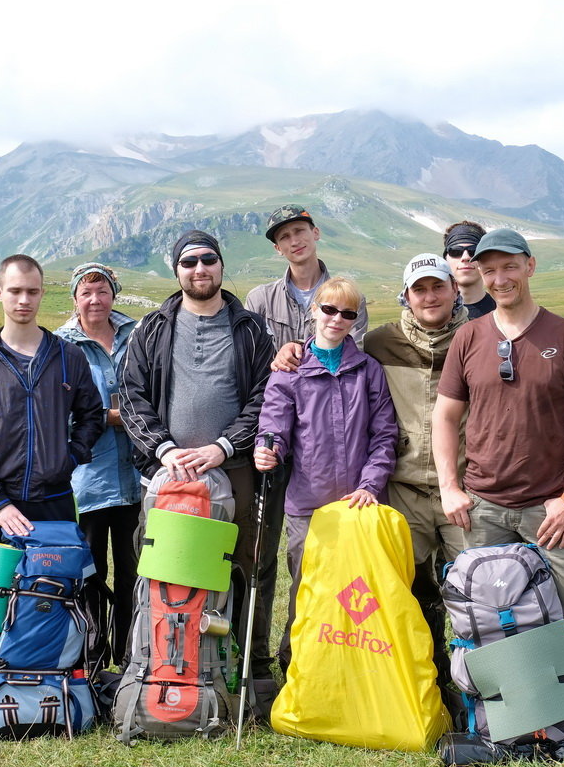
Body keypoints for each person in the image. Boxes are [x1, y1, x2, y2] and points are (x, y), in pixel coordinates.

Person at [432, 228, 564, 722]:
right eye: (489, 269)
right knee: (486, 616)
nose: (499, 278)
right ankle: (505, 716)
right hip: (482, 505)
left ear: (530, 266)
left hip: (548, 506)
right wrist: (451, 487)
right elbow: (445, 418)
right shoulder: (468, 338)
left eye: (509, 266)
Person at [119, 230, 276, 674]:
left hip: (235, 470)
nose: (200, 269)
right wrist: (164, 449)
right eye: (189, 262)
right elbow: (130, 396)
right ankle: (160, 664)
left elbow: (265, 397)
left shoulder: (249, 329)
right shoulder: (152, 328)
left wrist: (223, 447)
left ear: (222, 266)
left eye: (208, 260)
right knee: (163, 568)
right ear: (177, 271)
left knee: (237, 567)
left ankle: (238, 668)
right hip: (167, 474)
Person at [254, 277, 397, 667]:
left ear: (355, 319)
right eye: (330, 309)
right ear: (314, 310)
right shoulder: (289, 371)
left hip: (360, 505)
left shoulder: (369, 370)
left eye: (347, 313)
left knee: (360, 593)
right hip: (308, 506)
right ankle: (298, 665)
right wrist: (268, 450)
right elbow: (274, 424)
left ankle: (355, 669)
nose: (337, 319)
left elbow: (385, 436)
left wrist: (370, 486)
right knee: (307, 587)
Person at [0, 254, 103, 559]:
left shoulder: (68, 357)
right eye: (15, 291)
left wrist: (69, 457)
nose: (24, 300)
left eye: (32, 292)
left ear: (42, 293)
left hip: (55, 501)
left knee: (54, 596)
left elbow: (92, 415)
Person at [363, 254, 468, 682]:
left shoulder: (476, 338)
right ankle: (426, 677)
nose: (429, 296)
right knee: (407, 591)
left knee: (474, 588)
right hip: (402, 488)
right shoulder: (378, 344)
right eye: (419, 289)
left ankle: (474, 685)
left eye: (437, 286)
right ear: (405, 296)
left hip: (463, 489)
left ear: (454, 289)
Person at [54, 262, 142, 665]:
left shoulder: (137, 334)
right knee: (89, 572)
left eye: (102, 291)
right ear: (74, 298)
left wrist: (136, 416)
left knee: (133, 572)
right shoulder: (59, 346)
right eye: (86, 292)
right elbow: (55, 412)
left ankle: (127, 657)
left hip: (137, 476)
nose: (95, 300)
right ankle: (89, 661)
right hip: (86, 480)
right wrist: (112, 417)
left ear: (114, 294)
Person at [248, 204, 369, 370]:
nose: (295, 241)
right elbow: (252, 357)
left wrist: (297, 345)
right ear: (278, 248)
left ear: (316, 233)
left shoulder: (351, 298)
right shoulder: (260, 300)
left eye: (299, 230)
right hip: (276, 393)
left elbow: (353, 354)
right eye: (284, 237)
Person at [442, 221, 496, 319]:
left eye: (473, 251)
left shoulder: (504, 311)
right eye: (455, 251)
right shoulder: (433, 312)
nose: (465, 257)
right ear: (445, 259)